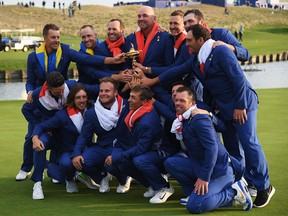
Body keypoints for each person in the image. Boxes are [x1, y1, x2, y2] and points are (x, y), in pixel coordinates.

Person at [186, 24, 275, 208]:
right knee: (234, 149)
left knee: (249, 143)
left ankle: (264, 186)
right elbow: (176, 71)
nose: (186, 44)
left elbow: (238, 79)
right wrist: (149, 73)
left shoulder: (220, 51)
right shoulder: (196, 61)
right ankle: (243, 183)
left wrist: (240, 106)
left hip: (243, 104)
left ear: (200, 40)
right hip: (224, 109)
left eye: (189, 40)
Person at [164, 86, 253, 213]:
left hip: (219, 169)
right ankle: (193, 193)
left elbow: (212, 149)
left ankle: (234, 192)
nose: (178, 103)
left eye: (182, 101)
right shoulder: (182, 119)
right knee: (171, 163)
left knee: (194, 207)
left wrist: (204, 178)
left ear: (192, 103)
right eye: (176, 100)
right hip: (200, 165)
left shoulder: (199, 119)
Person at [106, 85, 175, 204]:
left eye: (133, 97)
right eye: (130, 96)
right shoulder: (137, 110)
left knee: (139, 160)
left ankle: (164, 187)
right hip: (147, 148)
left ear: (143, 101)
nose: (129, 100)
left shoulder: (146, 122)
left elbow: (141, 148)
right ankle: (152, 185)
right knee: (122, 164)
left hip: (161, 151)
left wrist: (118, 156)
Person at [25, 23, 125, 103]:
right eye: (53, 37)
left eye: (58, 37)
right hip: (41, 98)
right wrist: (30, 92)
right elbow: (30, 81)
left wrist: (112, 60)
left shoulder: (65, 50)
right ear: (45, 38)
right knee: (36, 127)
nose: (57, 40)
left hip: (62, 97)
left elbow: (87, 59)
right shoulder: (33, 57)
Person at [31, 84, 96, 199]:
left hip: (88, 148)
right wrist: (35, 137)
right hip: (69, 151)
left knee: (96, 160)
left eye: (84, 97)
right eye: (78, 97)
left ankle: (83, 175)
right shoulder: (62, 115)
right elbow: (42, 126)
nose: (82, 100)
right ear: (72, 99)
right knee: (66, 165)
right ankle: (64, 176)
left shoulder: (93, 109)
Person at [71, 77, 132, 194]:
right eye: (101, 91)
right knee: (82, 162)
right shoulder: (92, 112)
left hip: (123, 146)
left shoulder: (127, 105)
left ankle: (124, 179)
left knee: (112, 162)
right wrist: (76, 153)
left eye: (107, 91)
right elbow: (84, 135)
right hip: (102, 146)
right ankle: (102, 178)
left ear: (115, 92)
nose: (103, 94)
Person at [126, 6, 174, 70]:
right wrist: (128, 71)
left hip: (155, 78)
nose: (141, 19)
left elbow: (169, 67)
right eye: (139, 16)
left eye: (145, 16)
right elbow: (126, 64)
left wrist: (146, 70)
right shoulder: (130, 38)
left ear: (154, 19)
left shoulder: (166, 38)